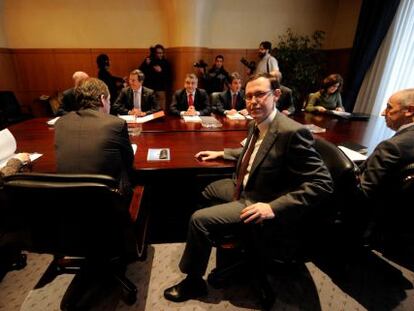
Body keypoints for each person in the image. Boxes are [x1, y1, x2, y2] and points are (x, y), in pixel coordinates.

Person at [163, 73, 333, 302]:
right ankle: (230, 239)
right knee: (204, 188)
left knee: (198, 219)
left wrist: (272, 208)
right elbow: (255, 153)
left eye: (260, 94)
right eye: (248, 96)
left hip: (258, 199)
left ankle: (193, 282)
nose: (252, 101)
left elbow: (322, 183)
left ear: (277, 95)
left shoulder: (291, 132)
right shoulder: (257, 123)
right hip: (243, 184)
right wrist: (223, 153)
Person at [55, 77, 134, 196]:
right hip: (106, 200)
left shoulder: (60, 123)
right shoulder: (116, 123)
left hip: (67, 199)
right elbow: (129, 161)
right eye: (109, 101)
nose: (109, 105)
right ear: (102, 99)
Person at [358, 89, 414, 250]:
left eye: (389, 108)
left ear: (410, 111)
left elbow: (363, 191)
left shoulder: (392, 147)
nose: (383, 113)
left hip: (376, 211)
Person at [139, 44, 171, 111]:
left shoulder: (165, 62)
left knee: (161, 108)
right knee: (149, 107)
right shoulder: (149, 60)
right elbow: (140, 71)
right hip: (149, 87)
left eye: (162, 53)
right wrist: (146, 64)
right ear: (155, 53)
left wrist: (161, 71)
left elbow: (169, 76)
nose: (160, 55)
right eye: (158, 53)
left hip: (160, 88)